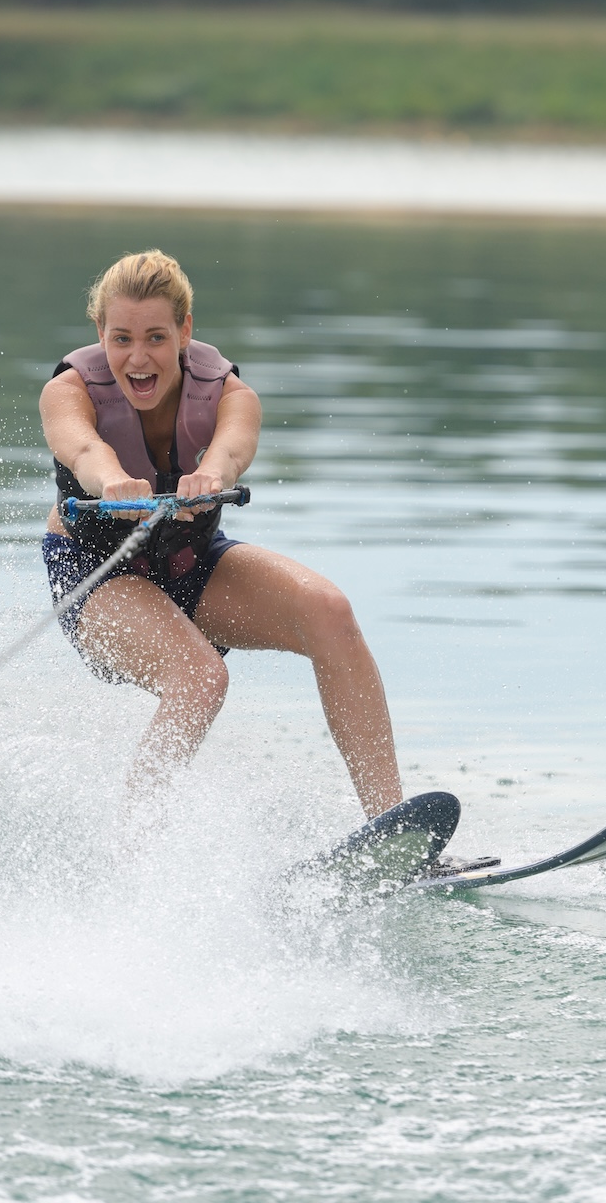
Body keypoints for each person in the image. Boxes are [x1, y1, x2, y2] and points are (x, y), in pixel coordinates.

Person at [40, 250, 404, 818]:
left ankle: (391, 827)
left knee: (329, 610)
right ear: (100, 334)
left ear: (185, 331)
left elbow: (234, 446)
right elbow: (83, 448)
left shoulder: (230, 395)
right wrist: (111, 480)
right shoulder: (69, 392)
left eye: (157, 337)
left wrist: (214, 474)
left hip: (191, 564)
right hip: (97, 577)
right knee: (201, 676)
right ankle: (131, 848)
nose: (138, 358)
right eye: (122, 339)